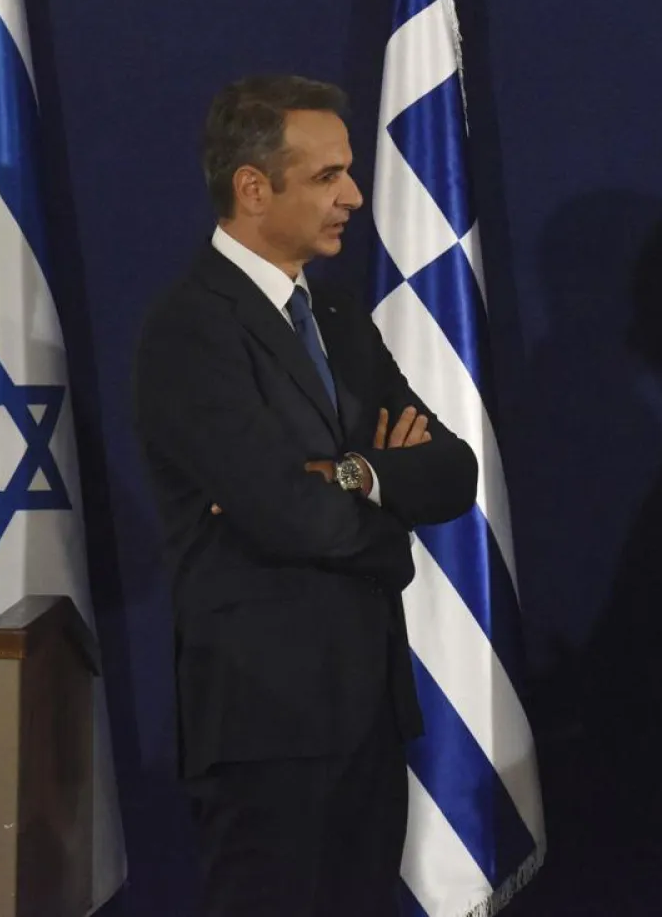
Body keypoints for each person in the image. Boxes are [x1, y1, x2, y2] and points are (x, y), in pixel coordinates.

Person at [133, 75, 478, 917]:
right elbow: (285, 513)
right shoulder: (192, 329)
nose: (354, 196)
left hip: (367, 711)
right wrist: (386, 514)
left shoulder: (334, 315)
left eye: (347, 173)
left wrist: (355, 476)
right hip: (265, 724)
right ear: (254, 188)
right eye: (329, 176)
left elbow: (455, 473)